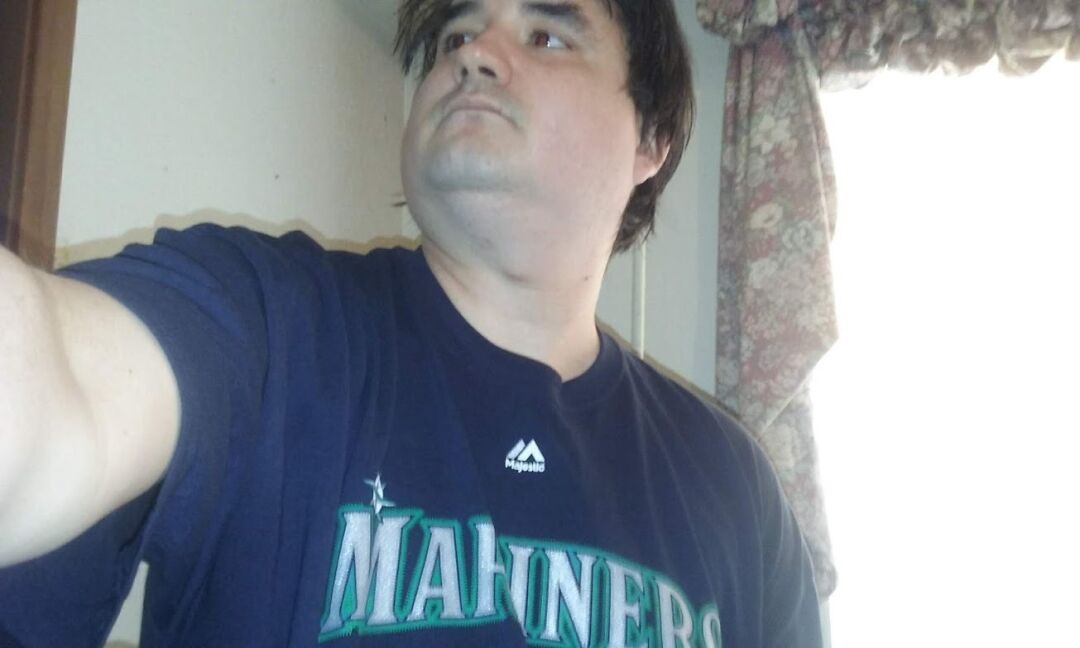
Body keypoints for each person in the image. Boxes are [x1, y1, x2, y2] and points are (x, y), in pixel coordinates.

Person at [0, 0, 822, 645]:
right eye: (456, 34)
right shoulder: (267, 322)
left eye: (546, 36)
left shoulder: (736, 484)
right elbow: (53, 391)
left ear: (653, 139)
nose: (473, 53)